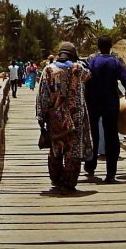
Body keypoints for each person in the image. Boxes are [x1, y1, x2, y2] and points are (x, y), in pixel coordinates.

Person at [36, 42, 92, 191]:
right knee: (73, 150)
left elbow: (42, 95)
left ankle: (56, 177)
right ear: (73, 55)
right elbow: (89, 75)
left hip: (55, 117)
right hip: (76, 117)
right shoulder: (78, 69)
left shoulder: (48, 69)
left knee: (56, 148)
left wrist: (41, 118)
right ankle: (69, 182)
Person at [83, 35, 126, 183]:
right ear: (111, 46)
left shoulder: (91, 62)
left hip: (93, 103)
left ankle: (91, 166)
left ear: (98, 47)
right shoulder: (116, 63)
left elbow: (84, 80)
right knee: (111, 137)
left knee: (94, 135)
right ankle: (110, 173)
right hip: (110, 103)